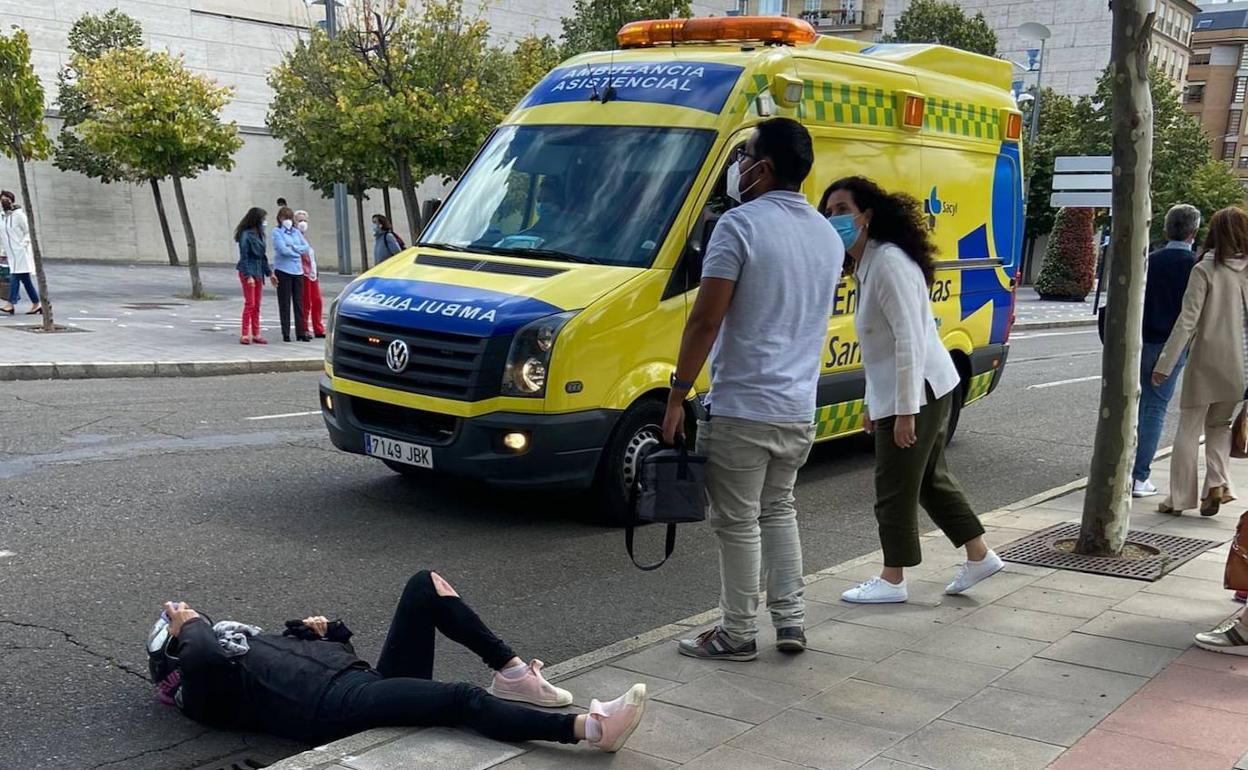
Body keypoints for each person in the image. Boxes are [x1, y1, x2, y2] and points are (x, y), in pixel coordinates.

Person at [662, 117, 843, 660]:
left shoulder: (738, 227)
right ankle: (791, 622)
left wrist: (676, 395)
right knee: (779, 509)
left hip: (743, 404)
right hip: (797, 405)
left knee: (737, 521)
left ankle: (737, 632)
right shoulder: (825, 235)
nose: (738, 167)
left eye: (743, 156)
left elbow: (704, 321)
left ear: (762, 168)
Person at [148, 571, 647, 752]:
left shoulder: (236, 649)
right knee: (461, 699)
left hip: (361, 684)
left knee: (424, 584)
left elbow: (336, 654)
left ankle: (513, 673)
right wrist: (186, 625)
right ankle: (589, 730)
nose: (210, 625)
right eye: (191, 629)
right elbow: (205, 656)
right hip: (336, 707)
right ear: (174, 656)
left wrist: (327, 631)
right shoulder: (202, 691)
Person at [821, 177, 1001, 605]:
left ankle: (893, 578)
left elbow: (908, 341)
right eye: (828, 212)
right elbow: (880, 347)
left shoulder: (888, 263)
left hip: (919, 390)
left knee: (894, 488)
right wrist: (872, 403)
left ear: (866, 217)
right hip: (915, 389)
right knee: (927, 482)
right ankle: (980, 555)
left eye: (842, 210)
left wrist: (903, 413)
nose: (834, 220)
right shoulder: (868, 263)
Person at [1154, 206, 1248, 516]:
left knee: (1189, 428)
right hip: (1241, 367)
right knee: (1220, 426)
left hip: (1207, 360)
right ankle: (1217, 484)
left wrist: (1164, 365)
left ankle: (1179, 498)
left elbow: (1187, 321)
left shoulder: (1204, 269)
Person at [1133, 204, 1201, 498]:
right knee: (1154, 409)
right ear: (1194, 232)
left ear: (1165, 228)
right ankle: (1139, 476)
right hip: (1171, 347)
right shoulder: (1195, 267)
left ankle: (1121, 469)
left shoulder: (1149, 260)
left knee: (1131, 407)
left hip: (1138, 341)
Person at [271, 206, 311, 343]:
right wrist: (296, 251)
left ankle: (301, 332)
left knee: (299, 302)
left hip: (297, 270)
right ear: (279, 219)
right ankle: (286, 333)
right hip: (283, 270)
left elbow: (306, 247)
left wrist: (293, 248)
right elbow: (282, 250)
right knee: (285, 302)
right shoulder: (277, 232)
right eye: (284, 218)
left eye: (289, 218)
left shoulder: (296, 232)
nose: (286, 220)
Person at [234, 207, 271, 345]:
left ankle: (256, 333)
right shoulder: (246, 235)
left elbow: (262, 256)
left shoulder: (260, 234)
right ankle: (244, 334)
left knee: (257, 305)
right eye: (263, 219)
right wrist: (248, 276)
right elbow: (244, 256)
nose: (264, 222)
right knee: (250, 303)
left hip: (258, 272)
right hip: (248, 271)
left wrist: (269, 273)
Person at [0, 190, 41, 316]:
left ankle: (10, 304)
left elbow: (28, 232)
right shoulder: (2, 217)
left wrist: (22, 246)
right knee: (26, 280)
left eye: (7, 198)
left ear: (12, 200)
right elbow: (3, 236)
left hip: (21, 253)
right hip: (11, 254)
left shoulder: (19, 215)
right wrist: (3, 252)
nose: (4, 201)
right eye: (2, 199)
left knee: (14, 277)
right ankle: (37, 304)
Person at [294, 210, 325, 338]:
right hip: (303, 273)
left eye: (305, 221)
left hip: (312, 274)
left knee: (317, 301)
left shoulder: (305, 236)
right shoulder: (295, 235)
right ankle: (304, 328)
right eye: (300, 220)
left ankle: (318, 328)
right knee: (306, 302)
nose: (303, 223)